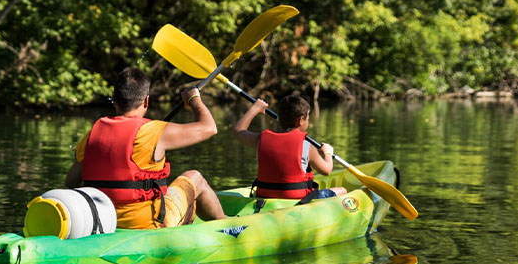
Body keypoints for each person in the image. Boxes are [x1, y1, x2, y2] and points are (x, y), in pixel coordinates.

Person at [65, 67, 225, 228]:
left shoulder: (93, 133)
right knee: (194, 177)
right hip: (148, 223)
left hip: (102, 220)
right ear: (146, 101)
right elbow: (209, 127)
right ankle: (228, 228)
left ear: (114, 99)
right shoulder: (154, 131)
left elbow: (71, 182)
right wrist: (193, 99)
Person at [232, 94, 346, 202]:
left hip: (265, 197)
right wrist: (328, 153)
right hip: (297, 201)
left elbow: (238, 131)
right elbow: (327, 170)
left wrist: (255, 109)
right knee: (342, 191)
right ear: (301, 120)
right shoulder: (307, 146)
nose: (308, 121)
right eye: (308, 117)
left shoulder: (260, 140)